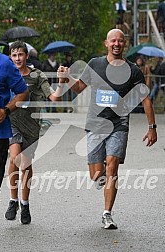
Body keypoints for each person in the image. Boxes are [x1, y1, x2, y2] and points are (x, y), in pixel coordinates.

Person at [57, 29, 157, 229]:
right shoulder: (95, 64)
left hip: (119, 124)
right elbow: (78, 88)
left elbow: (145, 99)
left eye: (120, 41)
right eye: (113, 41)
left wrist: (152, 127)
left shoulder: (133, 71)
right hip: (96, 124)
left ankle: (107, 213)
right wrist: (66, 77)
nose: (117, 44)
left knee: (112, 166)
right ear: (106, 43)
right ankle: (99, 174)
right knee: (97, 175)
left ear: (124, 44)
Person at [4, 41, 62, 224]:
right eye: (14, 55)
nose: (17, 58)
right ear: (10, 57)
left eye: (20, 54)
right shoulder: (6, 74)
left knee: (25, 164)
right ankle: (13, 201)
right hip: (11, 122)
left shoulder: (37, 76)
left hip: (32, 126)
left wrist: (61, 83)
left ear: (26, 56)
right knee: (15, 158)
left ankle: (25, 203)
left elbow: (53, 97)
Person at [0, 52, 28, 206]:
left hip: (0, 134)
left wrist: (6, 111)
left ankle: (19, 201)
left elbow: (23, 92)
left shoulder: (4, 63)